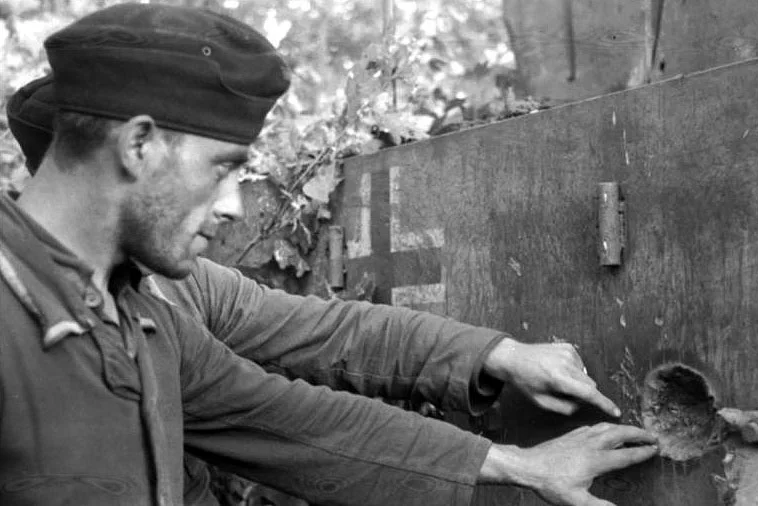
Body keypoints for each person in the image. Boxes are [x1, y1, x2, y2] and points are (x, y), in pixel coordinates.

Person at [0, 4, 658, 506]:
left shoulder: (145, 319)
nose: (233, 205)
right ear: (138, 145)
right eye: (221, 168)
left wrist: (517, 462)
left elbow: (290, 418)